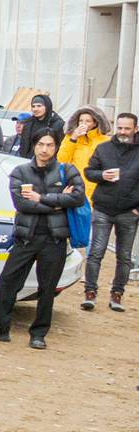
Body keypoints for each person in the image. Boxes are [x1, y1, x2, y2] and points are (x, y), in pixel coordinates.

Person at [0, 130, 85, 349]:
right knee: (8, 281)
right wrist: (57, 203)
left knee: (47, 289)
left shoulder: (67, 170)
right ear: (34, 146)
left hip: (55, 239)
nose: (45, 149)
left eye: (50, 145)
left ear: (55, 147)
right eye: (41, 144)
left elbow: (78, 197)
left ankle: (38, 334)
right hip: (26, 238)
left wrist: (41, 198)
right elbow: (22, 204)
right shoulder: (21, 172)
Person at [82, 112, 139, 311]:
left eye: (127, 128)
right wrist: (102, 175)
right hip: (103, 208)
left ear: (136, 129)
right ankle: (90, 292)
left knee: (124, 257)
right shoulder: (104, 148)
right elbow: (89, 172)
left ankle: (117, 293)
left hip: (128, 213)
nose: (123, 132)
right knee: (96, 253)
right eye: (120, 128)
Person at [60, 106, 111, 200]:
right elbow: (62, 159)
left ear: (95, 123)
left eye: (87, 121)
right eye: (81, 120)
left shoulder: (106, 140)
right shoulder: (70, 137)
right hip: (75, 185)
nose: (83, 124)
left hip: (96, 187)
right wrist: (73, 138)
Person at [15, 94, 66, 160]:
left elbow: (59, 149)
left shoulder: (58, 124)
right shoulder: (29, 123)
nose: (35, 109)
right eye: (33, 106)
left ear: (47, 107)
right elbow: (23, 147)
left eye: (39, 106)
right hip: (28, 163)